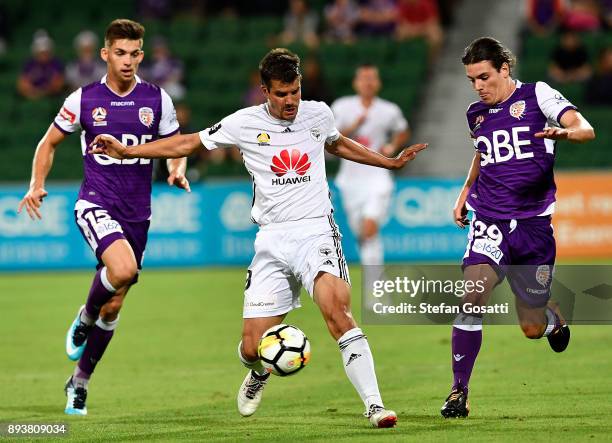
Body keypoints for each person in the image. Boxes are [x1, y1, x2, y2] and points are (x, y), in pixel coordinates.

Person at [89, 48, 427, 428]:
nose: (290, 101)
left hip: (316, 229)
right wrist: (128, 150)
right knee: (251, 348)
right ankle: (259, 372)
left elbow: (337, 143)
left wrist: (389, 161)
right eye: (281, 94)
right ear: (264, 90)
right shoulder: (242, 123)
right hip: (271, 239)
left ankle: (375, 406)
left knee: (339, 313)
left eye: (295, 91)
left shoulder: (318, 113)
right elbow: (188, 143)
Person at [17, 19, 190, 416]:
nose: (127, 61)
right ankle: (84, 315)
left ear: (141, 55)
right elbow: (49, 142)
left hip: (137, 213)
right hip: (96, 202)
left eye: (134, 53)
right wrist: (36, 182)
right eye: (120, 53)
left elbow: (177, 143)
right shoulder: (84, 99)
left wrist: (176, 168)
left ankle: (79, 381)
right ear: (105, 54)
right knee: (123, 270)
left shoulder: (157, 100)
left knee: (115, 307)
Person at [441, 37, 595, 419]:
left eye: (484, 77)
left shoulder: (538, 95)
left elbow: (584, 128)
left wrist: (566, 133)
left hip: (533, 228)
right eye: (472, 80)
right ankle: (459, 391)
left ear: (504, 69)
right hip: (489, 220)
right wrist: (464, 194)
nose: (478, 86)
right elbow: (483, 154)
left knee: (530, 326)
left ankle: (551, 317)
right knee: (472, 295)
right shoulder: (476, 114)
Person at [332, 64, 409, 281]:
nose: (367, 82)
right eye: (363, 78)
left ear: (378, 83)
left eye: (372, 78)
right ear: (356, 82)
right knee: (362, 233)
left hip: (378, 177)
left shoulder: (389, 109)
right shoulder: (342, 107)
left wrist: (393, 146)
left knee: (369, 227)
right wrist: (353, 126)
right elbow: (329, 138)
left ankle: (375, 286)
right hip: (351, 180)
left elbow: (403, 131)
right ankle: (374, 273)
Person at [17, 31, 64, 99]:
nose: (43, 56)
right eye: (40, 53)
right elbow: (22, 85)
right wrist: (33, 91)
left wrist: (43, 92)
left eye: (45, 53)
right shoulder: (29, 64)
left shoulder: (56, 63)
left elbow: (58, 84)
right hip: (32, 96)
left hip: (51, 97)